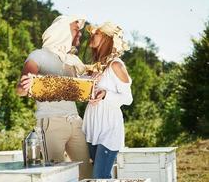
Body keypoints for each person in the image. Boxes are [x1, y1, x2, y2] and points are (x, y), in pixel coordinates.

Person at [16, 15, 92, 179]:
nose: (79, 34)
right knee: (55, 176)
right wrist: (26, 85)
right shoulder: (38, 55)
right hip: (50, 123)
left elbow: (87, 85)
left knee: (87, 173)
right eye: (75, 30)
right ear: (62, 31)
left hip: (75, 122)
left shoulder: (72, 62)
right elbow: (20, 90)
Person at [82, 22, 133, 179]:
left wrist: (106, 94)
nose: (91, 35)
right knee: (101, 177)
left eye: (96, 33)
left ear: (107, 38)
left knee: (100, 176)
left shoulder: (116, 65)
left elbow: (128, 99)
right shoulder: (95, 68)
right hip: (91, 128)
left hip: (109, 129)